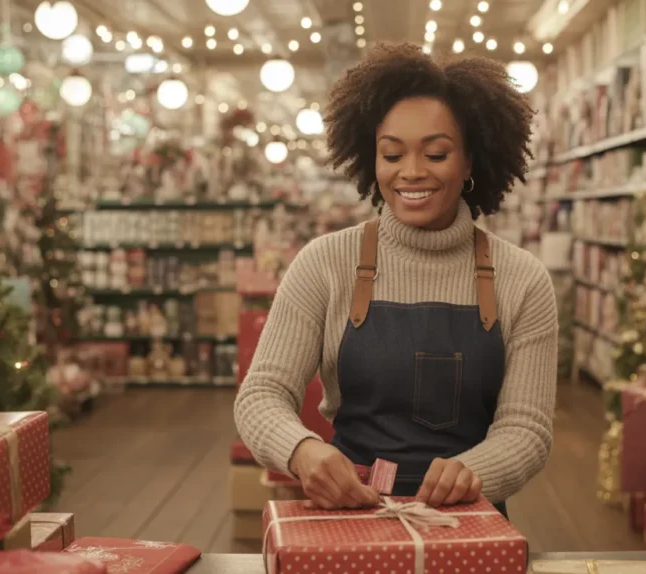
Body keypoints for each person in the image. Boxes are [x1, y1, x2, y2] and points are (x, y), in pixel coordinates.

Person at [234, 43, 558, 518]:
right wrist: (303, 452)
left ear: (469, 161)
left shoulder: (522, 279)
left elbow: (527, 428)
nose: (411, 172)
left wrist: (475, 471)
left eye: (436, 153)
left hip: (467, 525)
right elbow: (262, 393)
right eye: (392, 154)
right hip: (350, 515)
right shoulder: (325, 263)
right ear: (372, 159)